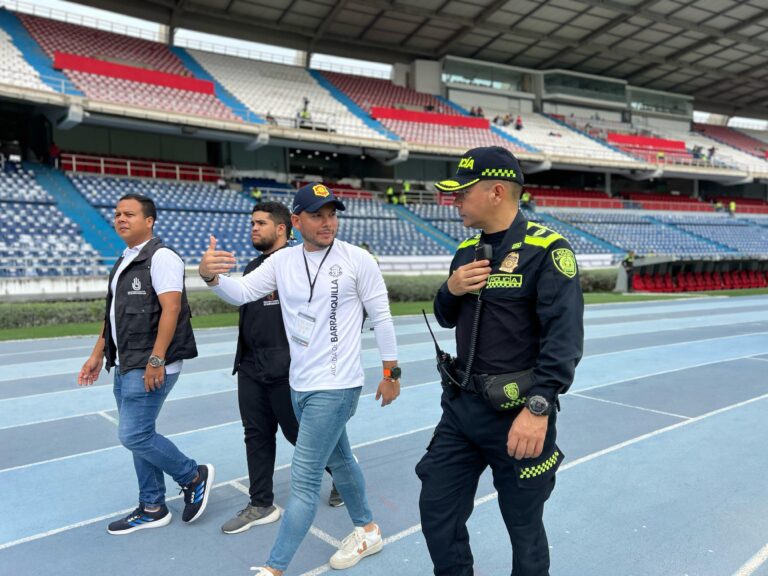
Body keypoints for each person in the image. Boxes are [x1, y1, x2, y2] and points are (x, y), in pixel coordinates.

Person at [199, 183, 401, 575]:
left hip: (338, 386)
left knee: (306, 477)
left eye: (332, 214)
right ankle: (367, 529)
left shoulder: (358, 259)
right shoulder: (281, 262)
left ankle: (274, 567)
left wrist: (391, 372)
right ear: (296, 221)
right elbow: (241, 293)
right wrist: (210, 278)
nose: (328, 223)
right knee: (340, 461)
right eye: (317, 215)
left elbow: (382, 317)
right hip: (300, 385)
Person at [418, 147, 584, 576]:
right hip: (460, 411)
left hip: (518, 414)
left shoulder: (547, 250)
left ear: (495, 191)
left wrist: (539, 408)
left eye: (462, 192)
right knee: (437, 509)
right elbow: (443, 315)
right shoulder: (464, 252)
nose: (454, 201)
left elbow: (563, 340)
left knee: (524, 528)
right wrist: (450, 289)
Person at [78, 193, 214, 534]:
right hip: (125, 362)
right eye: (118, 214)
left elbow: (171, 308)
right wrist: (98, 353)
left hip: (150, 362)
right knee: (141, 434)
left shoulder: (162, 257)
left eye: (130, 214)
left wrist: (157, 359)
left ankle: (192, 475)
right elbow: (113, 316)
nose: (121, 219)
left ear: (149, 221)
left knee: (134, 434)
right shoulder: (125, 258)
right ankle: (152, 505)